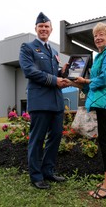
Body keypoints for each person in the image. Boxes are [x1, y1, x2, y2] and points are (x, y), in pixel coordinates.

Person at [19, 12, 69, 189]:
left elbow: (56, 75)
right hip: (40, 101)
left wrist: (64, 73)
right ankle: (36, 176)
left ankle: (48, 171)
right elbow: (30, 72)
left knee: (55, 137)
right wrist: (55, 80)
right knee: (37, 139)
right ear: (35, 29)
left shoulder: (53, 51)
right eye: (41, 26)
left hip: (56, 102)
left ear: (51, 30)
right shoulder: (27, 47)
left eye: (46, 26)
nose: (43, 29)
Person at [73, 22, 106, 199]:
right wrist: (79, 84)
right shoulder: (101, 56)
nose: (98, 37)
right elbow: (95, 85)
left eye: (102, 34)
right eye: (95, 35)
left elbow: (104, 79)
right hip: (102, 102)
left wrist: (85, 82)